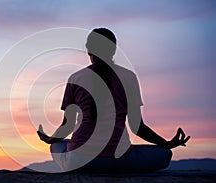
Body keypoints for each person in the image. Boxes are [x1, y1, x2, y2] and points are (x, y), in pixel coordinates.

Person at [37, 28, 190, 173]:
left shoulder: (76, 78)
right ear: (114, 50)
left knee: (57, 145)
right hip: (119, 160)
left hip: (78, 161)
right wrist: (167, 144)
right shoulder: (129, 77)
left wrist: (48, 139)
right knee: (164, 154)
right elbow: (137, 127)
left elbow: (67, 126)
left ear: (88, 50)